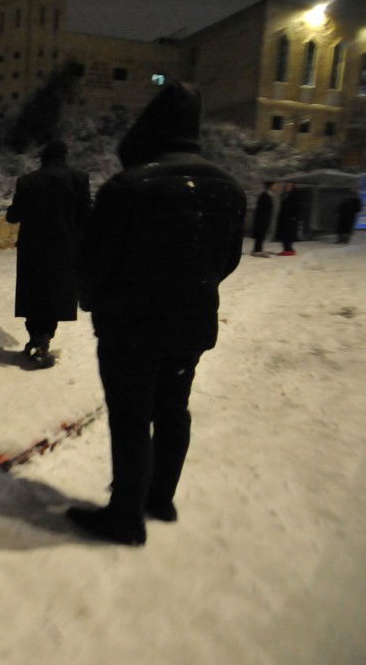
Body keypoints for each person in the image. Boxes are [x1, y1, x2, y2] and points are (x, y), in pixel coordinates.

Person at [71, 81, 246, 546]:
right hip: (191, 324)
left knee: (131, 417)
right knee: (173, 409)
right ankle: (160, 498)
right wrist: (193, 288)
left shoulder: (129, 186)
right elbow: (228, 259)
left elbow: (92, 262)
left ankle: (125, 517)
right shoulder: (229, 188)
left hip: (130, 327)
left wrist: (94, 300)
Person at [5, 140, 91, 367]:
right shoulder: (79, 179)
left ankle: (36, 337)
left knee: (33, 294)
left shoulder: (27, 181)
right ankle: (43, 339)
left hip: (33, 249)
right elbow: (86, 216)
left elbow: (13, 216)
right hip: (64, 249)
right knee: (55, 295)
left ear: (43, 157)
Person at [250, 181, 275, 257]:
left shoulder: (268, 195)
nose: (275, 187)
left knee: (262, 235)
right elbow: (262, 209)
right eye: (274, 186)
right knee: (260, 235)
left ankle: (258, 249)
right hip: (262, 220)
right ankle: (257, 250)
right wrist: (263, 220)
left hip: (264, 219)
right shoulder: (264, 195)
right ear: (270, 187)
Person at [276, 182, 298, 256]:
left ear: (292, 187)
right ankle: (286, 248)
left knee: (288, 234)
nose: (287, 187)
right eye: (287, 186)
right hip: (284, 218)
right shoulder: (284, 194)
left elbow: (296, 207)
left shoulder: (294, 195)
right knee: (283, 234)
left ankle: (288, 248)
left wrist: (293, 216)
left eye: (289, 186)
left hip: (290, 218)